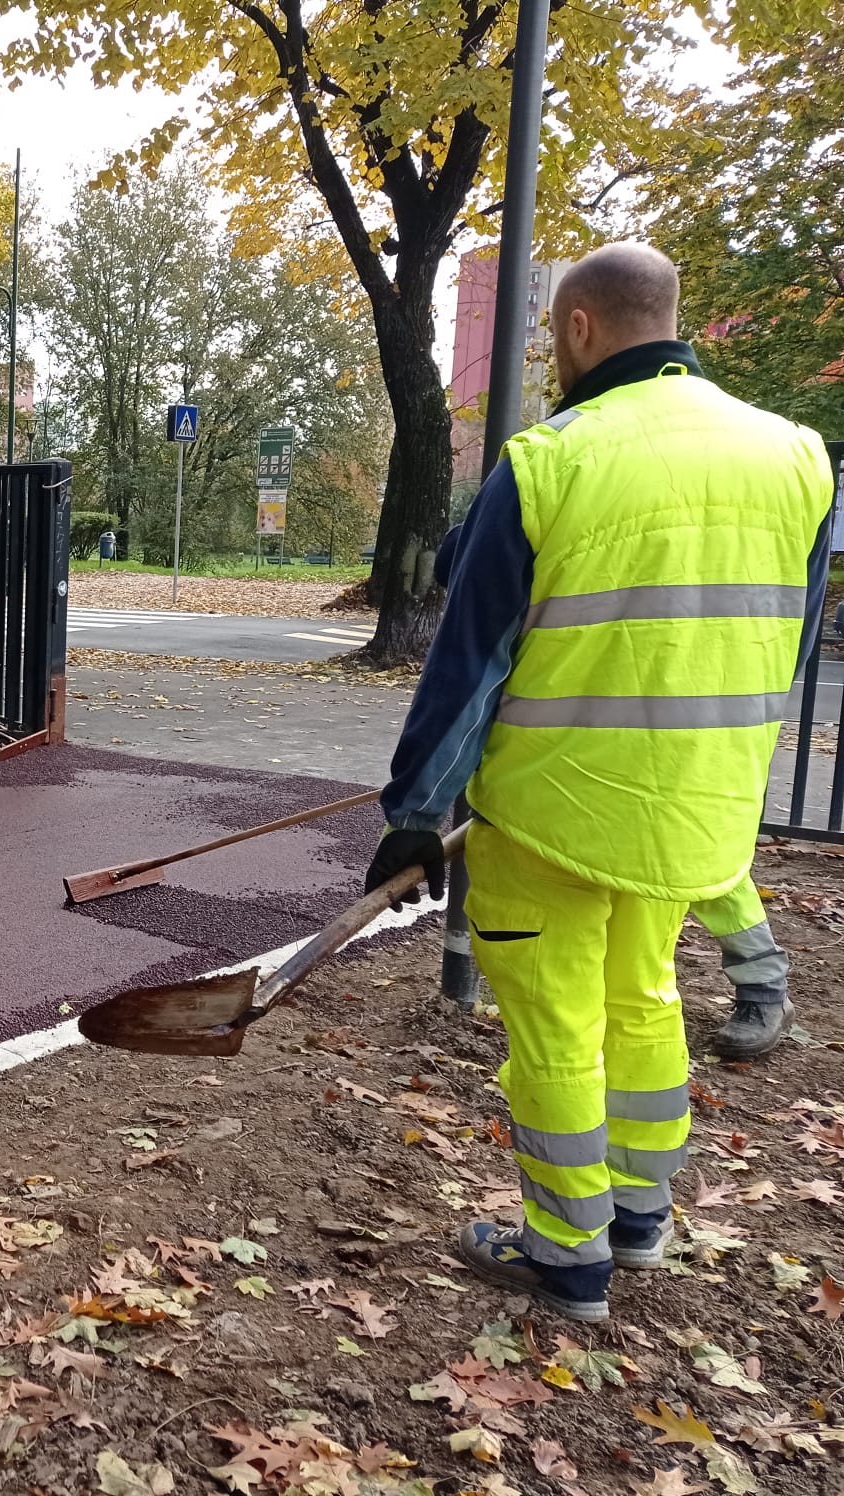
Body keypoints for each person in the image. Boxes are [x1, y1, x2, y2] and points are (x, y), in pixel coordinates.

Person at [368, 243, 834, 1322]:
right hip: (690, 816)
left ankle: (565, 1255)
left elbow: (469, 666)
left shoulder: (550, 463)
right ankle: (638, 1219)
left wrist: (414, 814)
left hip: (553, 818)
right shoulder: (796, 457)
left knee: (556, 1031)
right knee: (645, 1002)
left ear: (578, 327)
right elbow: (790, 640)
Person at [432, 525, 796, 1060]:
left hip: (673, 750)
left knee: (700, 863)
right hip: (599, 773)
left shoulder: (572, 590)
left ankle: (764, 987)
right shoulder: (540, 590)